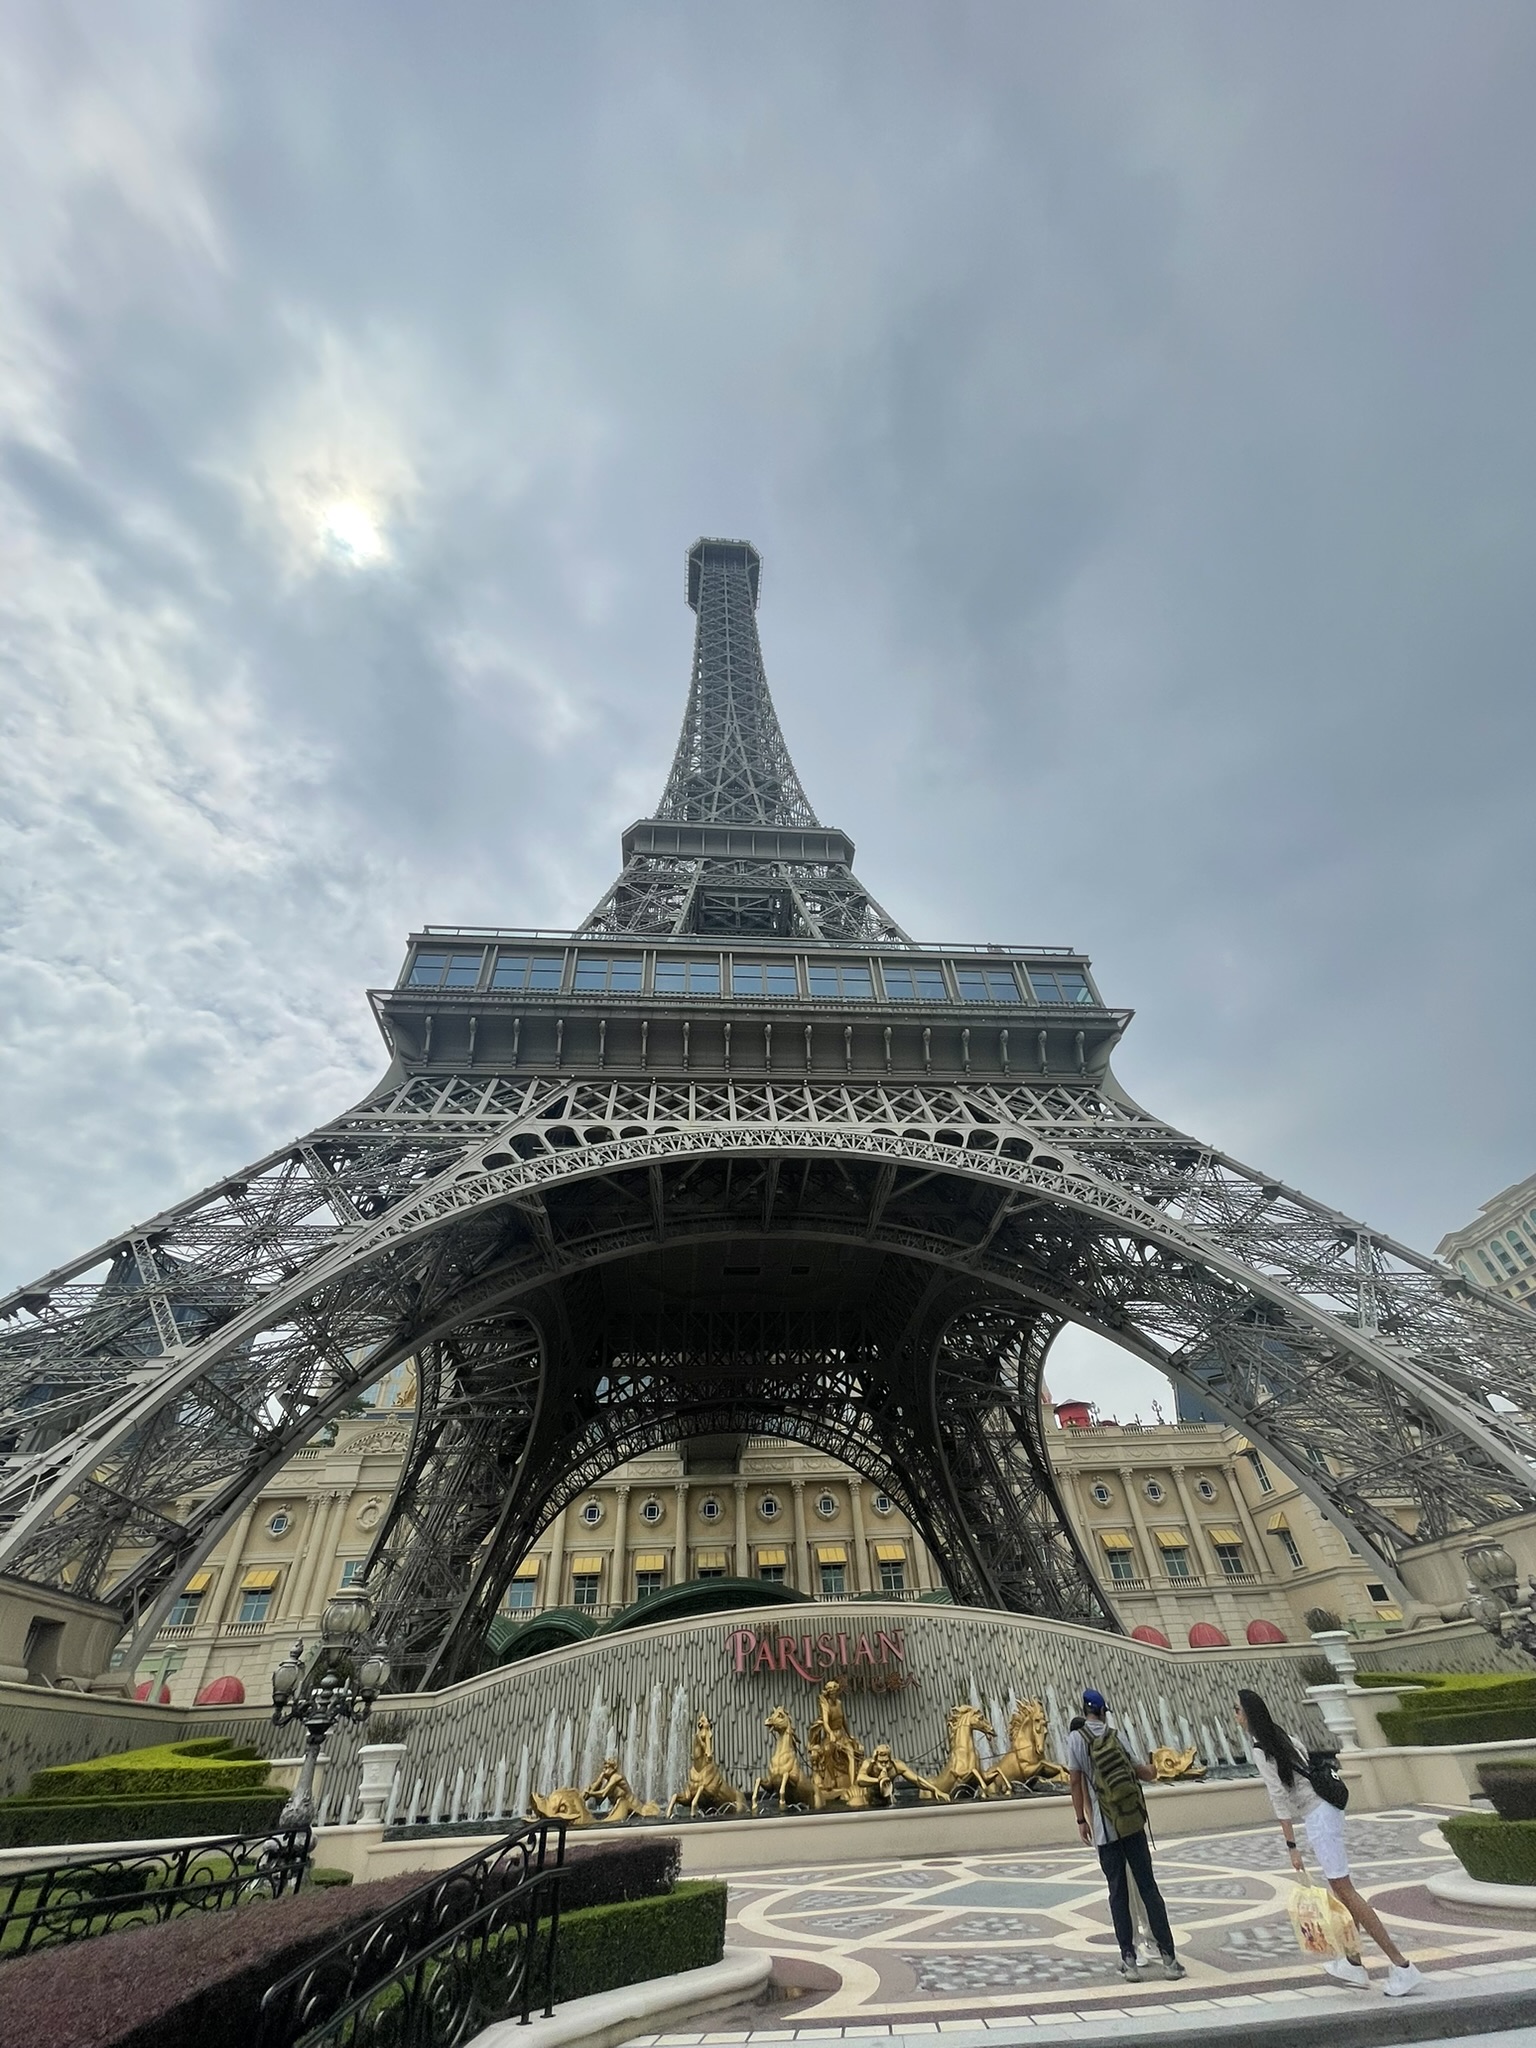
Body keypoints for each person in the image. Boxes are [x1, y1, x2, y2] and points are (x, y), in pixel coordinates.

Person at [1236, 1687, 1424, 1998]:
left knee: (1346, 1891)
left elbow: (1278, 1798)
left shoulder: (1261, 1750)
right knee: (1342, 1891)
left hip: (1319, 1817)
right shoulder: (1283, 1738)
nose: (1236, 1717)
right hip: (1326, 1809)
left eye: (1238, 1711)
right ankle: (1353, 1962)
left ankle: (1402, 1966)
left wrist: (1292, 1848)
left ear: (1249, 1715)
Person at [1067, 1688, 1186, 1983]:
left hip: (1106, 1830)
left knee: (1118, 1893)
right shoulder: (1116, 1735)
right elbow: (1143, 1773)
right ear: (1103, 1711)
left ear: (1084, 1711)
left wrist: (1081, 1819)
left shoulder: (1076, 1739)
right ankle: (1170, 1960)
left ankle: (1129, 1961)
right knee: (1148, 1888)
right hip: (1132, 1824)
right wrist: (1155, 1767)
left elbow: (1074, 1781)